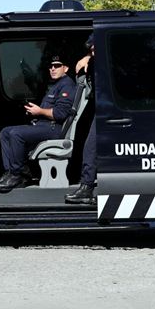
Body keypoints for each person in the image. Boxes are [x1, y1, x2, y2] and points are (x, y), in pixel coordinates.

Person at [0, 55, 76, 193]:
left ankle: (19, 174)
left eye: (57, 66)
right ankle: (10, 171)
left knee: (16, 134)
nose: (53, 68)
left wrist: (39, 111)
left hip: (54, 128)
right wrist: (35, 112)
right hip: (44, 125)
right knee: (5, 132)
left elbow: (60, 114)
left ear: (66, 68)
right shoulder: (56, 85)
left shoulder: (67, 85)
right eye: (51, 66)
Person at [66, 34, 96, 204]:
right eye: (90, 50)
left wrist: (88, 59)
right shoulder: (92, 62)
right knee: (87, 145)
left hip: (107, 111)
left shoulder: (107, 62)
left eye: (94, 48)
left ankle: (87, 187)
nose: (92, 52)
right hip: (100, 110)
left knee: (90, 148)